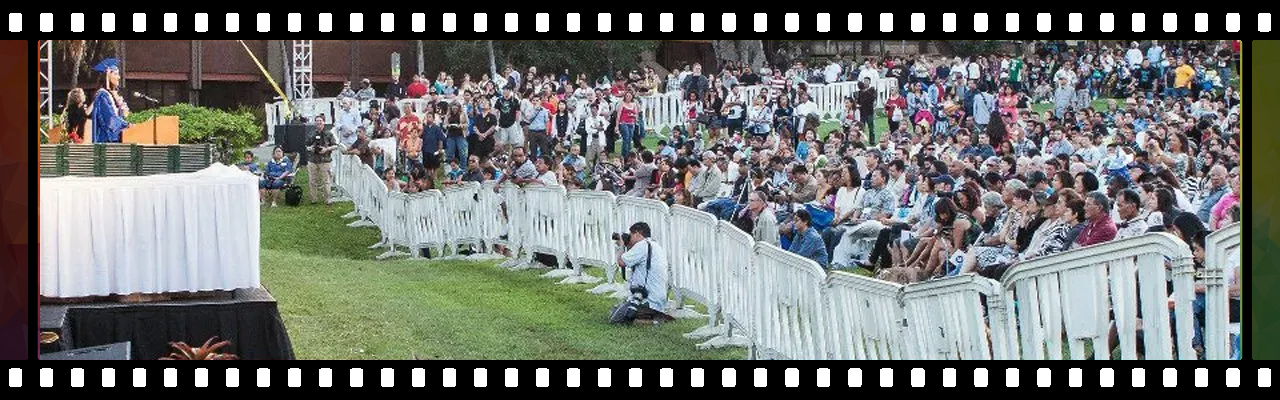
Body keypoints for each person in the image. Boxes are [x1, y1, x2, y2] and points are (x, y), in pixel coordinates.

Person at [612, 222, 672, 324]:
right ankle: (653, 317)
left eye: (630, 235)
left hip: (648, 299)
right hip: (656, 298)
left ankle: (654, 320)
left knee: (616, 319)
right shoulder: (653, 245)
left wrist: (621, 246)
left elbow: (621, 262)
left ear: (637, 233)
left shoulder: (642, 246)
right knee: (616, 309)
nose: (629, 238)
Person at [91, 58, 130, 143]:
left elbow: (115, 118)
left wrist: (122, 113)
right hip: (105, 142)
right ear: (108, 76)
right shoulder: (102, 95)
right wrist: (127, 125)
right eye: (116, 74)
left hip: (113, 141)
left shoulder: (110, 96)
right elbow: (110, 120)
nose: (119, 77)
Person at [307, 117, 338, 207]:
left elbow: (335, 146)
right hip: (313, 160)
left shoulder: (329, 134)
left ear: (324, 122)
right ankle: (313, 199)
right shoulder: (312, 133)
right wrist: (311, 148)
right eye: (317, 121)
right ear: (315, 123)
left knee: (326, 180)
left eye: (320, 121)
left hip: (325, 160)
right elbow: (306, 145)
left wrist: (326, 149)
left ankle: (328, 199)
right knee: (312, 180)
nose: (319, 123)